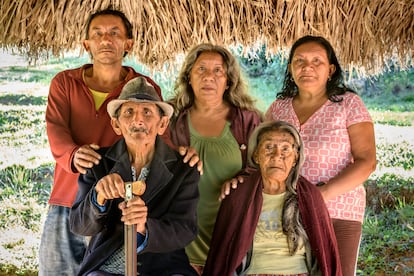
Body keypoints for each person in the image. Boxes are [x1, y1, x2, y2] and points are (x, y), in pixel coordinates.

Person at [40, 8, 199, 275]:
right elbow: (55, 129)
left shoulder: (141, 86)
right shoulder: (65, 82)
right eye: (98, 34)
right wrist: (73, 156)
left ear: (128, 43)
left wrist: (180, 153)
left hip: (119, 207)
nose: (106, 40)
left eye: (115, 33)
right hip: (70, 191)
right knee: (58, 266)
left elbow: (159, 134)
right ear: (86, 44)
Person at [265, 35, 376, 276]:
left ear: (331, 69)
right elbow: (262, 155)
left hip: (338, 211)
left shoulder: (348, 104)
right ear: (290, 68)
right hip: (287, 210)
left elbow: (367, 161)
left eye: (317, 61)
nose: (307, 67)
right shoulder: (278, 108)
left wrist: (321, 195)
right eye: (300, 61)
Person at [69, 76, 199, 276]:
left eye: (147, 112)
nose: (138, 119)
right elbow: (79, 225)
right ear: (116, 124)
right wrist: (98, 197)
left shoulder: (183, 169)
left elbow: (184, 229)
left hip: (164, 269)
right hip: (107, 268)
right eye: (129, 112)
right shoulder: (98, 163)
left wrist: (144, 228)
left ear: (162, 124)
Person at [167, 43, 262, 274]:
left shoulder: (248, 122)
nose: (209, 76)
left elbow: (265, 170)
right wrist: (175, 156)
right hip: (180, 239)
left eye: (218, 70)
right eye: (201, 69)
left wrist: (242, 178)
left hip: (230, 236)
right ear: (189, 76)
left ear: (229, 80)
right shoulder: (171, 119)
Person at [204, 120, 342, 276]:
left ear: (295, 157)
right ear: (256, 154)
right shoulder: (240, 196)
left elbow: (324, 257)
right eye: (269, 147)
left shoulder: (309, 196)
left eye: (285, 149)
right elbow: (223, 257)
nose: (277, 156)